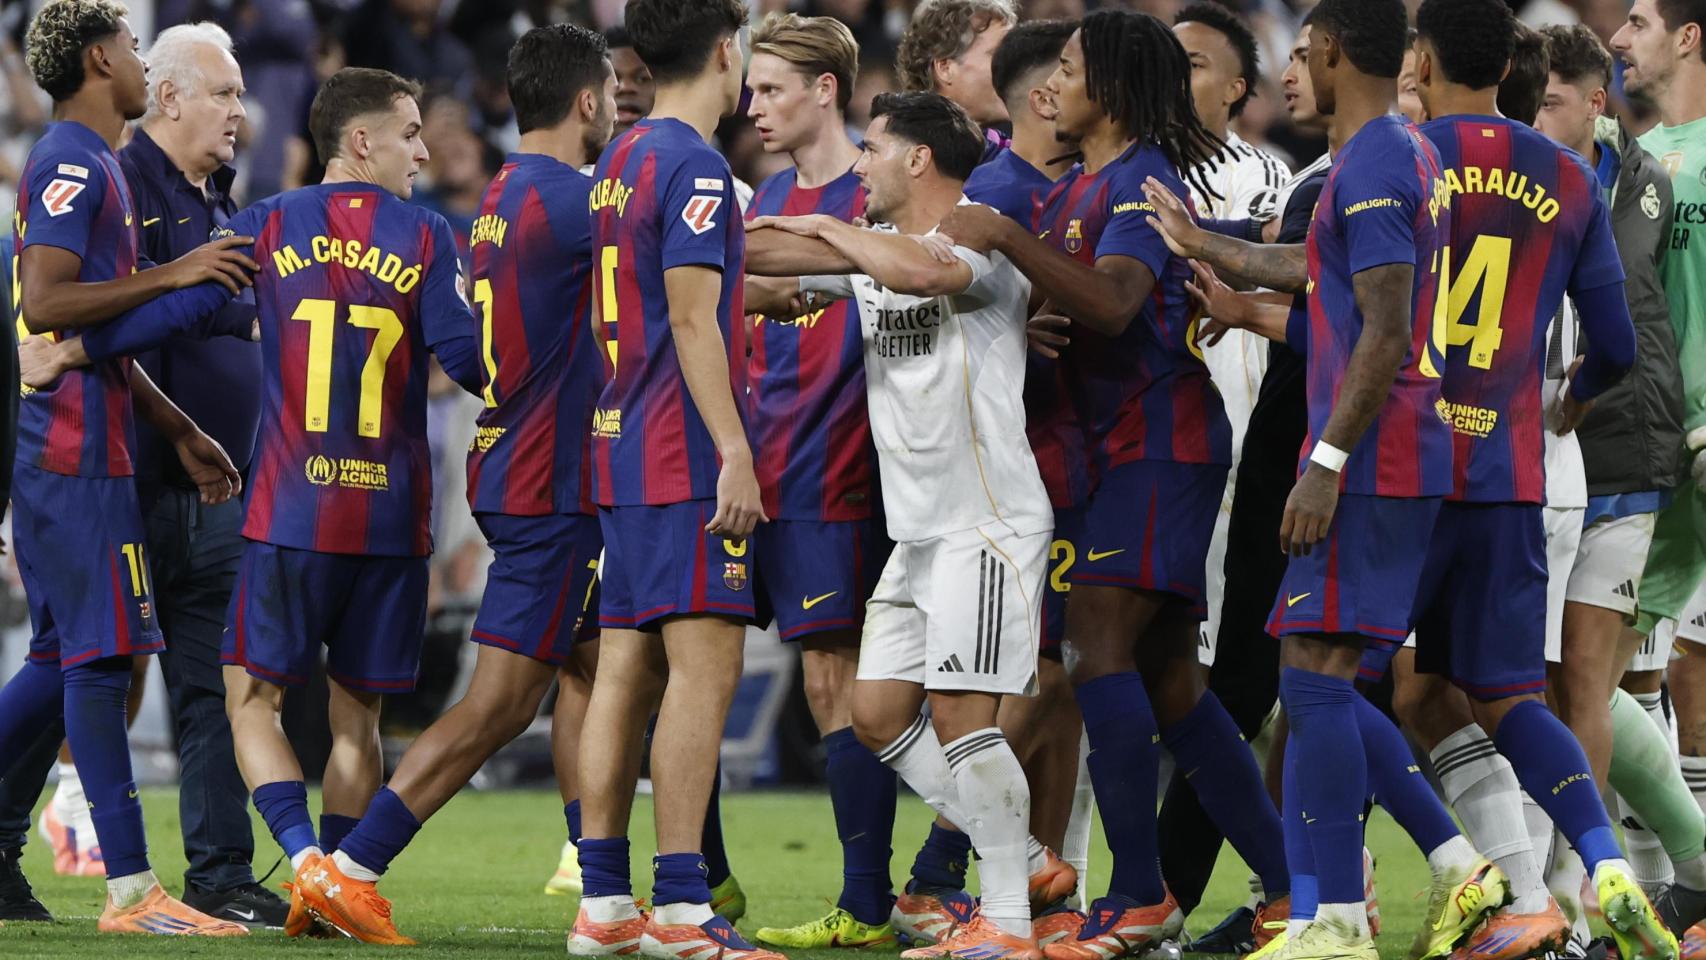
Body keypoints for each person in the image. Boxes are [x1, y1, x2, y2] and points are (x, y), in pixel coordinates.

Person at [1139, 2, 1526, 958]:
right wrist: (1205, 246)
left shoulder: (1380, 159)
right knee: (1311, 677)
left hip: (1375, 459)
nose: (1292, 73)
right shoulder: (1389, 157)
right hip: (1390, 455)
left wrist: (1323, 464)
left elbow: (1386, 328)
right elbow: (1318, 271)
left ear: (1341, 52)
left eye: (1305, 53)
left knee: (1313, 682)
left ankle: (1364, 906)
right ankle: (1353, 902)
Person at [239, 25, 616, 944]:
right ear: (361, 141)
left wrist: (83, 340)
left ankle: (310, 869)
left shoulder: (268, 223)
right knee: (383, 717)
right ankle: (346, 871)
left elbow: (188, 304)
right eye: (409, 132)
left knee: (250, 702)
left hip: (289, 504)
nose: (422, 148)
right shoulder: (427, 233)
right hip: (394, 509)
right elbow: (472, 358)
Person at [937, 11, 1289, 959]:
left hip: (1159, 448)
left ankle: (1139, 891)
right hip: (1113, 455)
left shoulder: (1138, 182)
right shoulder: (1084, 188)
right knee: (1174, 683)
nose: (1056, 79)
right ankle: (1295, 890)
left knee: (1094, 644)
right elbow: (1074, 300)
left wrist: (1010, 239)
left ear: (1117, 90)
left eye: (1072, 65)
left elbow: (1118, 299)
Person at [745, 88, 1062, 960]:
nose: (856, 165)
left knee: (964, 716)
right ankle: (1024, 856)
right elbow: (766, 260)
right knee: (878, 713)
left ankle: (1004, 921)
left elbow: (918, 273)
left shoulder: (980, 233)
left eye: (871, 149)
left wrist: (829, 232)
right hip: (918, 529)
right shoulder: (869, 248)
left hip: (986, 519)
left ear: (917, 159)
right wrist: (689, 242)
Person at [0, 0, 252, 937]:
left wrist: (174, 419)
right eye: (137, 48)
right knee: (100, 665)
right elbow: (47, 301)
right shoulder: (72, 156)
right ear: (103, 58)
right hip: (70, 456)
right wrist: (177, 275)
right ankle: (131, 891)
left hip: (92, 442)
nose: (144, 63)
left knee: (67, 657)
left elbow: (91, 337)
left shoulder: (95, 159)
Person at [566, 1, 777, 957]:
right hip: (679, 450)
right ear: (726, 54)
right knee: (702, 670)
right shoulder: (695, 166)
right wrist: (733, 447)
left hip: (618, 440)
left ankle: (605, 906)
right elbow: (694, 320)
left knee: (624, 669)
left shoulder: (619, 161)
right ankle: (685, 907)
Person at [733, 14, 897, 950]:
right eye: (751, 89)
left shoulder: (870, 188)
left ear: (826, 90)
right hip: (767, 459)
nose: (755, 105)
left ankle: (874, 900)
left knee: (840, 681)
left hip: (838, 465)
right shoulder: (763, 197)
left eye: (772, 89)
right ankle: (703, 877)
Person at [1535, 22, 1694, 939]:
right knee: (1551, 688)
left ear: (1593, 103)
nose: (1535, 114)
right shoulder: (1537, 181)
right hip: (1550, 456)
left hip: (1626, 452)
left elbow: (1638, 316)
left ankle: (1581, 901)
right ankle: (1641, 874)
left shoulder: (1643, 186)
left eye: (1551, 99)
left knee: (1588, 687)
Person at [960, 16, 1092, 930]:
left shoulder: (1093, 184)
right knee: (1038, 679)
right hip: (1019, 467)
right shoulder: (989, 196)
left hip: (1089, 458)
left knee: (1073, 681)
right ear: (1048, 95)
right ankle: (967, 876)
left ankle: (1053, 897)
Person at [1613, 4, 1706, 904]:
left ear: (1688, 36)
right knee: (1627, 672)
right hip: (1658, 453)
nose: (1618, 37)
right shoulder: (1639, 161)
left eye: (1638, 19)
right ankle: (1667, 892)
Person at [896, 0, 1016, 144]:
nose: (1015, 64)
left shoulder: (1016, 152)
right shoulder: (891, 151)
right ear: (945, 68)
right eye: (998, 54)